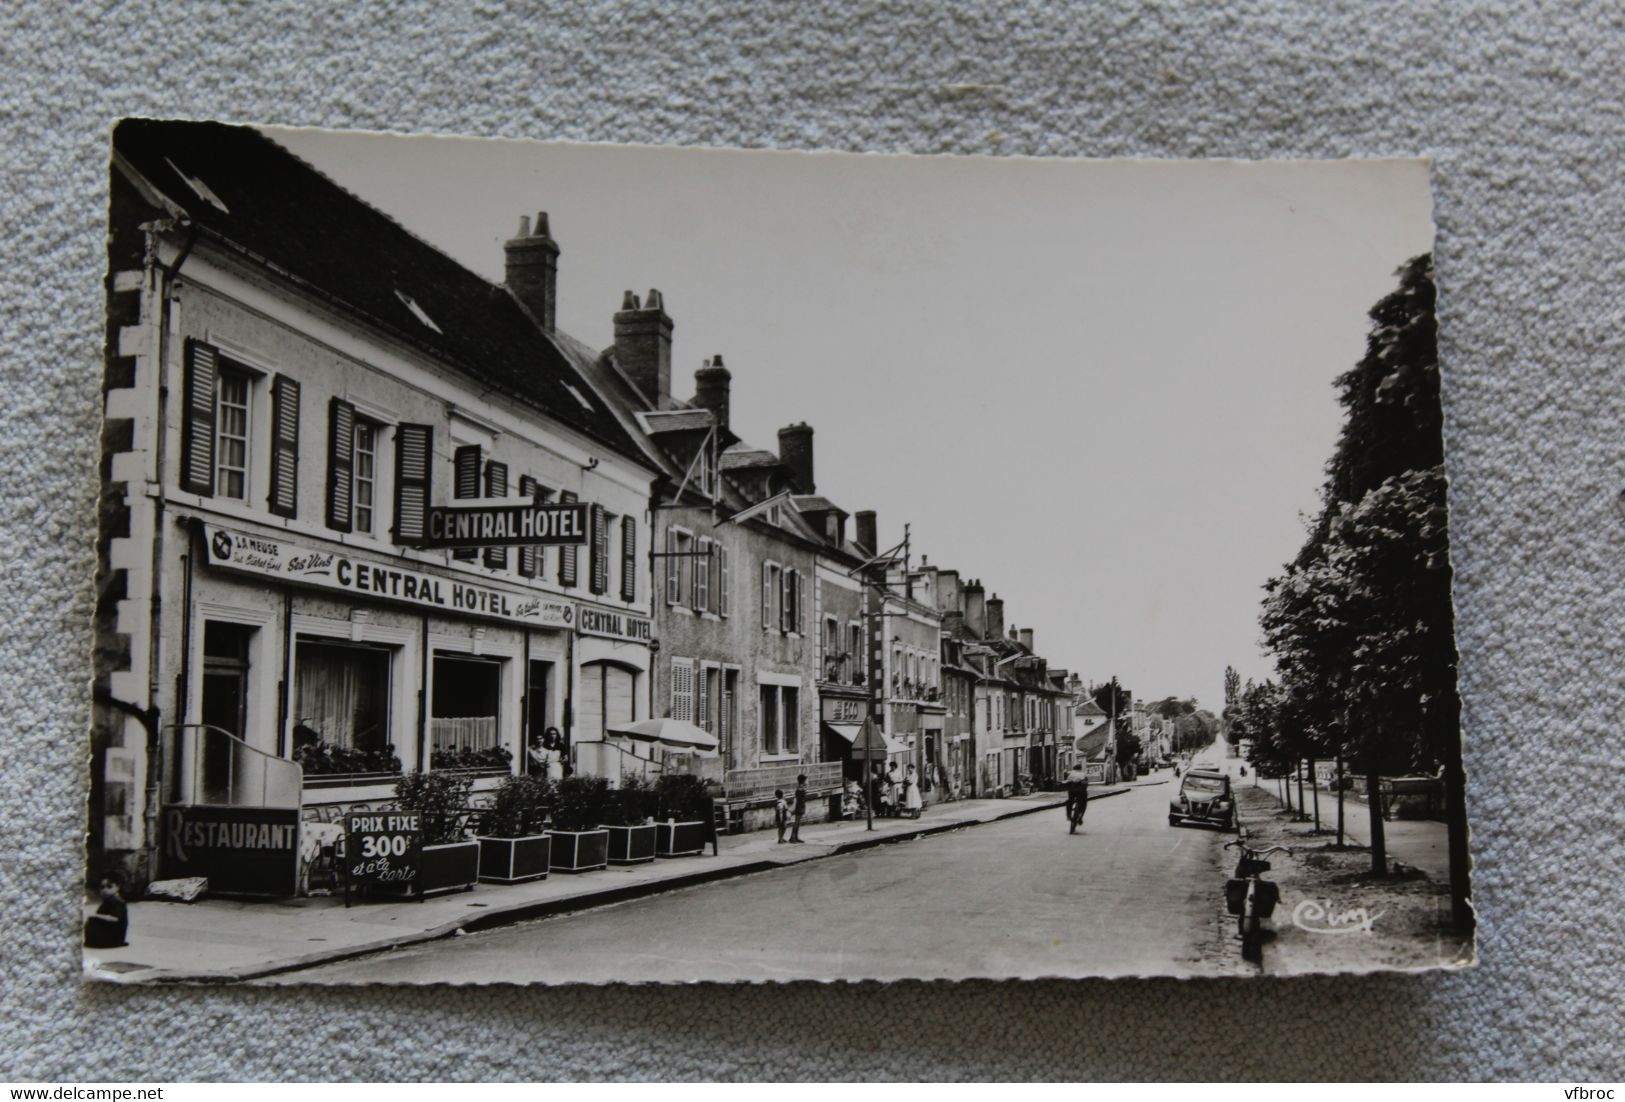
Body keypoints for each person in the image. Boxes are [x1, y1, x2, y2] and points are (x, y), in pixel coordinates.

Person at [84, 874, 128, 949]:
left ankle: (98, 941)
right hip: (110, 933)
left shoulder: (117, 901)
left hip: (115, 936)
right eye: (102, 887)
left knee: (93, 920)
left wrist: (96, 916)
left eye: (109, 886)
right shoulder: (108, 901)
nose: (105, 890)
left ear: (117, 887)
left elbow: (115, 918)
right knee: (92, 921)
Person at [1064, 763, 1090, 830]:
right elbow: (1086, 784)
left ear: (1074, 768)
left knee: (1069, 802)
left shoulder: (1070, 774)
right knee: (1084, 804)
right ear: (1080, 769)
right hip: (1081, 792)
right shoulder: (1083, 774)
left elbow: (1066, 782)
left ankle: (1068, 815)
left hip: (1072, 792)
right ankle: (1080, 816)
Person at [789, 774, 808, 843]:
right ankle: (792, 837)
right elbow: (798, 799)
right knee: (796, 822)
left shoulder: (800, 788)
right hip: (799, 806)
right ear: (803, 780)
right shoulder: (800, 789)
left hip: (800, 806)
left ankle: (795, 837)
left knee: (797, 822)